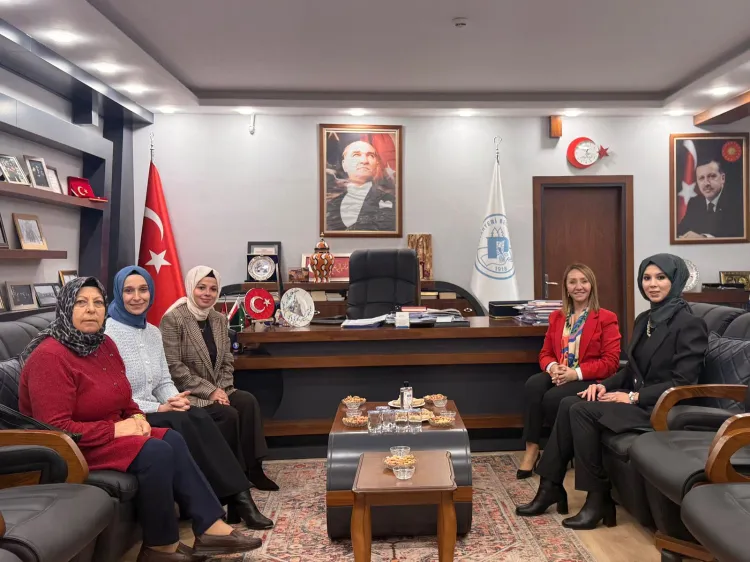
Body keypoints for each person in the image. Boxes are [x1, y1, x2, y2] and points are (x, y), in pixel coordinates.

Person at [18, 277, 260, 562]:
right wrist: (117, 429)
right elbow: (57, 430)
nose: (91, 309)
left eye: (97, 302)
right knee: (155, 452)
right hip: (73, 449)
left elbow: (123, 396)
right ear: (65, 308)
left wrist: (136, 416)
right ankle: (161, 547)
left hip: (105, 436)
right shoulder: (49, 357)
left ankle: (209, 527)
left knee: (172, 439)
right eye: (81, 303)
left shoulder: (103, 344)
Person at [516, 254, 708, 529]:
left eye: (661, 277)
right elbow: (630, 370)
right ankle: (550, 486)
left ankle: (597, 498)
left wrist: (632, 397)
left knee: (580, 410)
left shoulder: (689, 324)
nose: (652, 284)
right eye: (647, 278)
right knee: (571, 402)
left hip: (661, 407)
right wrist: (603, 385)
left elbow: (683, 382)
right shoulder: (645, 319)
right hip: (637, 400)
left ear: (675, 280)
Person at [105, 266, 273, 530]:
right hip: (133, 413)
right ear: (118, 293)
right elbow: (118, 393)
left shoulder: (151, 332)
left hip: (164, 403)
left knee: (214, 415)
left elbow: (163, 379)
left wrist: (175, 400)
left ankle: (238, 495)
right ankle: (234, 501)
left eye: (143, 289)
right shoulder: (107, 335)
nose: (137, 297)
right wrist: (162, 406)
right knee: (199, 417)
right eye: (129, 291)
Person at [160, 266, 278, 492]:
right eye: (201, 287)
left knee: (247, 401)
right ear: (190, 288)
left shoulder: (218, 319)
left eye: (213, 289)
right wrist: (211, 392)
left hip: (219, 389)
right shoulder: (173, 319)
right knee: (229, 414)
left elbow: (226, 360)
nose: (207, 293)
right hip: (189, 393)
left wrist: (221, 390)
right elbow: (174, 367)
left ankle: (254, 469)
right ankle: (232, 476)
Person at [517, 263, 620, 479]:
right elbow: (545, 353)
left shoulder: (605, 318)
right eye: (572, 282)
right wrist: (553, 367)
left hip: (589, 378)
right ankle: (532, 449)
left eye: (584, 281)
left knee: (553, 398)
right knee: (534, 385)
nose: (578, 286)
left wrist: (575, 374)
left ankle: (559, 452)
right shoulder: (557, 317)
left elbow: (610, 362)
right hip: (561, 373)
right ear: (566, 287)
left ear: (592, 285)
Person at [325, 140, 396, 232]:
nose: (364, 161)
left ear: (377, 165)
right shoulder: (330, 205)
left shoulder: (390, 201)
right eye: (356, 155)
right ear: (344, 165)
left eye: (371, 155)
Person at [677, 155, 744, 239]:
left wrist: (704, 238)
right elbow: (679, 232)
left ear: (722, 178)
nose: (706, 183)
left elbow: (739, 234)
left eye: (712, 176)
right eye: (701, 178)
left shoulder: (739, 202)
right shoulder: (694, 203)